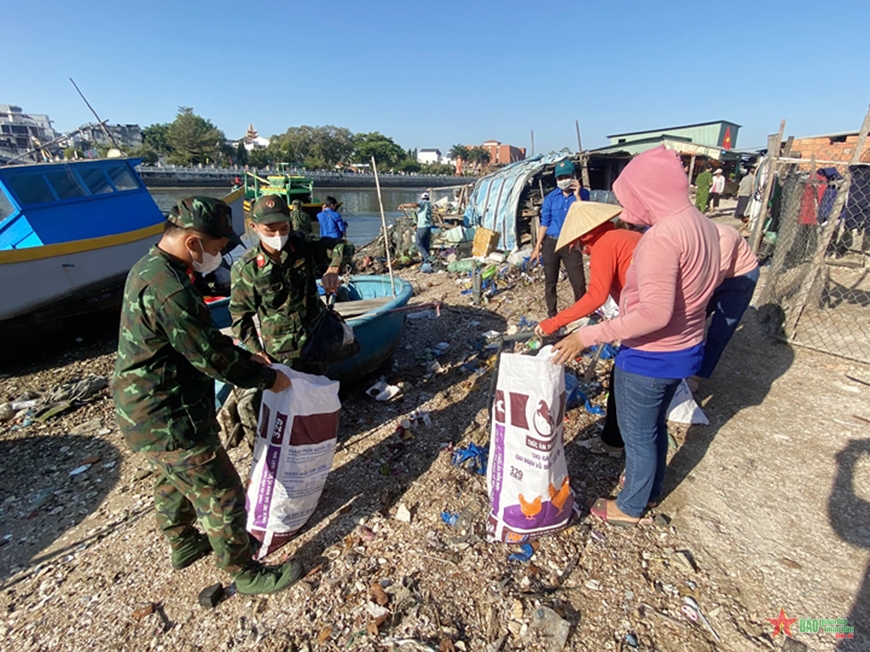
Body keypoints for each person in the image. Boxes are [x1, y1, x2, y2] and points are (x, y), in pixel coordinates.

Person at [112, 196, 300, 594]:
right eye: (216, 248)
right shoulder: (171, 289)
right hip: (170, 413)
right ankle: (244, 572)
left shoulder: (151, 267)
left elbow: (196, 339)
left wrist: (246, 354)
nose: (218, 256)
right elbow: (210, 357)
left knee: (170, 477)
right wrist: (267, 379)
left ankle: (182, 542)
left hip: (139, 408)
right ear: (194, 242)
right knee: (221, 491)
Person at [551, 146, 720, 526]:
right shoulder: (703, 225)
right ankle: (650, 488)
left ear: (648, 191)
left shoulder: (664, 236)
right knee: (653, 426)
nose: (630, 207)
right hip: (685, 346)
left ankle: (630, 505)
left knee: (638, 433)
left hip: (650, 353)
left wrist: (590, 335)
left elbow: (655, 313)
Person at [533, 201, 643, 458]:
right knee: (622, 375)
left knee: (624, 376)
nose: (580, 250)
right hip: (643, 313)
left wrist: (554, 322)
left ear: (585, 235)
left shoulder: (605, 244)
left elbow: (595, 296)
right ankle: (617, 437)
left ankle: (616, 443)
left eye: (578, 243)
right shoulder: (621, 236)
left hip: (646, 320)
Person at [231, 194, 355, 367]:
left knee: (321, 388)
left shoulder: (302, 245)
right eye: (270, 230)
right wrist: (256, 351)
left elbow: (344, 246)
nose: (278, 235)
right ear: (254, 227)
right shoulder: (247, 269)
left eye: (283, 228)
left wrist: (334, 268)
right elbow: (240, 317)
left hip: (317, 338)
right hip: (281, 352)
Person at [695, 224, 759, 380]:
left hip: (740, 278)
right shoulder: (692, 236)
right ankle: (684, 363)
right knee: (692, 320)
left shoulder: (724, 236)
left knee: (720, 330)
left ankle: (698, 376)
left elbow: (718, 273)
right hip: (711, 276)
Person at [530, 159, 589, 318]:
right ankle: (552, 314)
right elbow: (544, 223)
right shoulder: (551, 198)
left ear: (573, 176)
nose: (563, 181)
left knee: (578, 283)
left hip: (571, 242)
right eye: (560, 178)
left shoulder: (583, 195)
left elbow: (585, 216)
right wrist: (537, 248)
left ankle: (581, 314)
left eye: (566, 177)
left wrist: (577, 196)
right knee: (550, 281)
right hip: (551, 242)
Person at [398, 192, 433, 261]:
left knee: (418, 243)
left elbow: (415, 204)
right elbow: (423, 217)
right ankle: (426, 261)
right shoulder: (429, 205)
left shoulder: (424, 202)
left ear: (422, 198)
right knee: (425, 245)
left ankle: (427, 257)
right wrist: (417, 225)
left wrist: (404, 205)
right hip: (427, 227)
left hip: (422, 227)